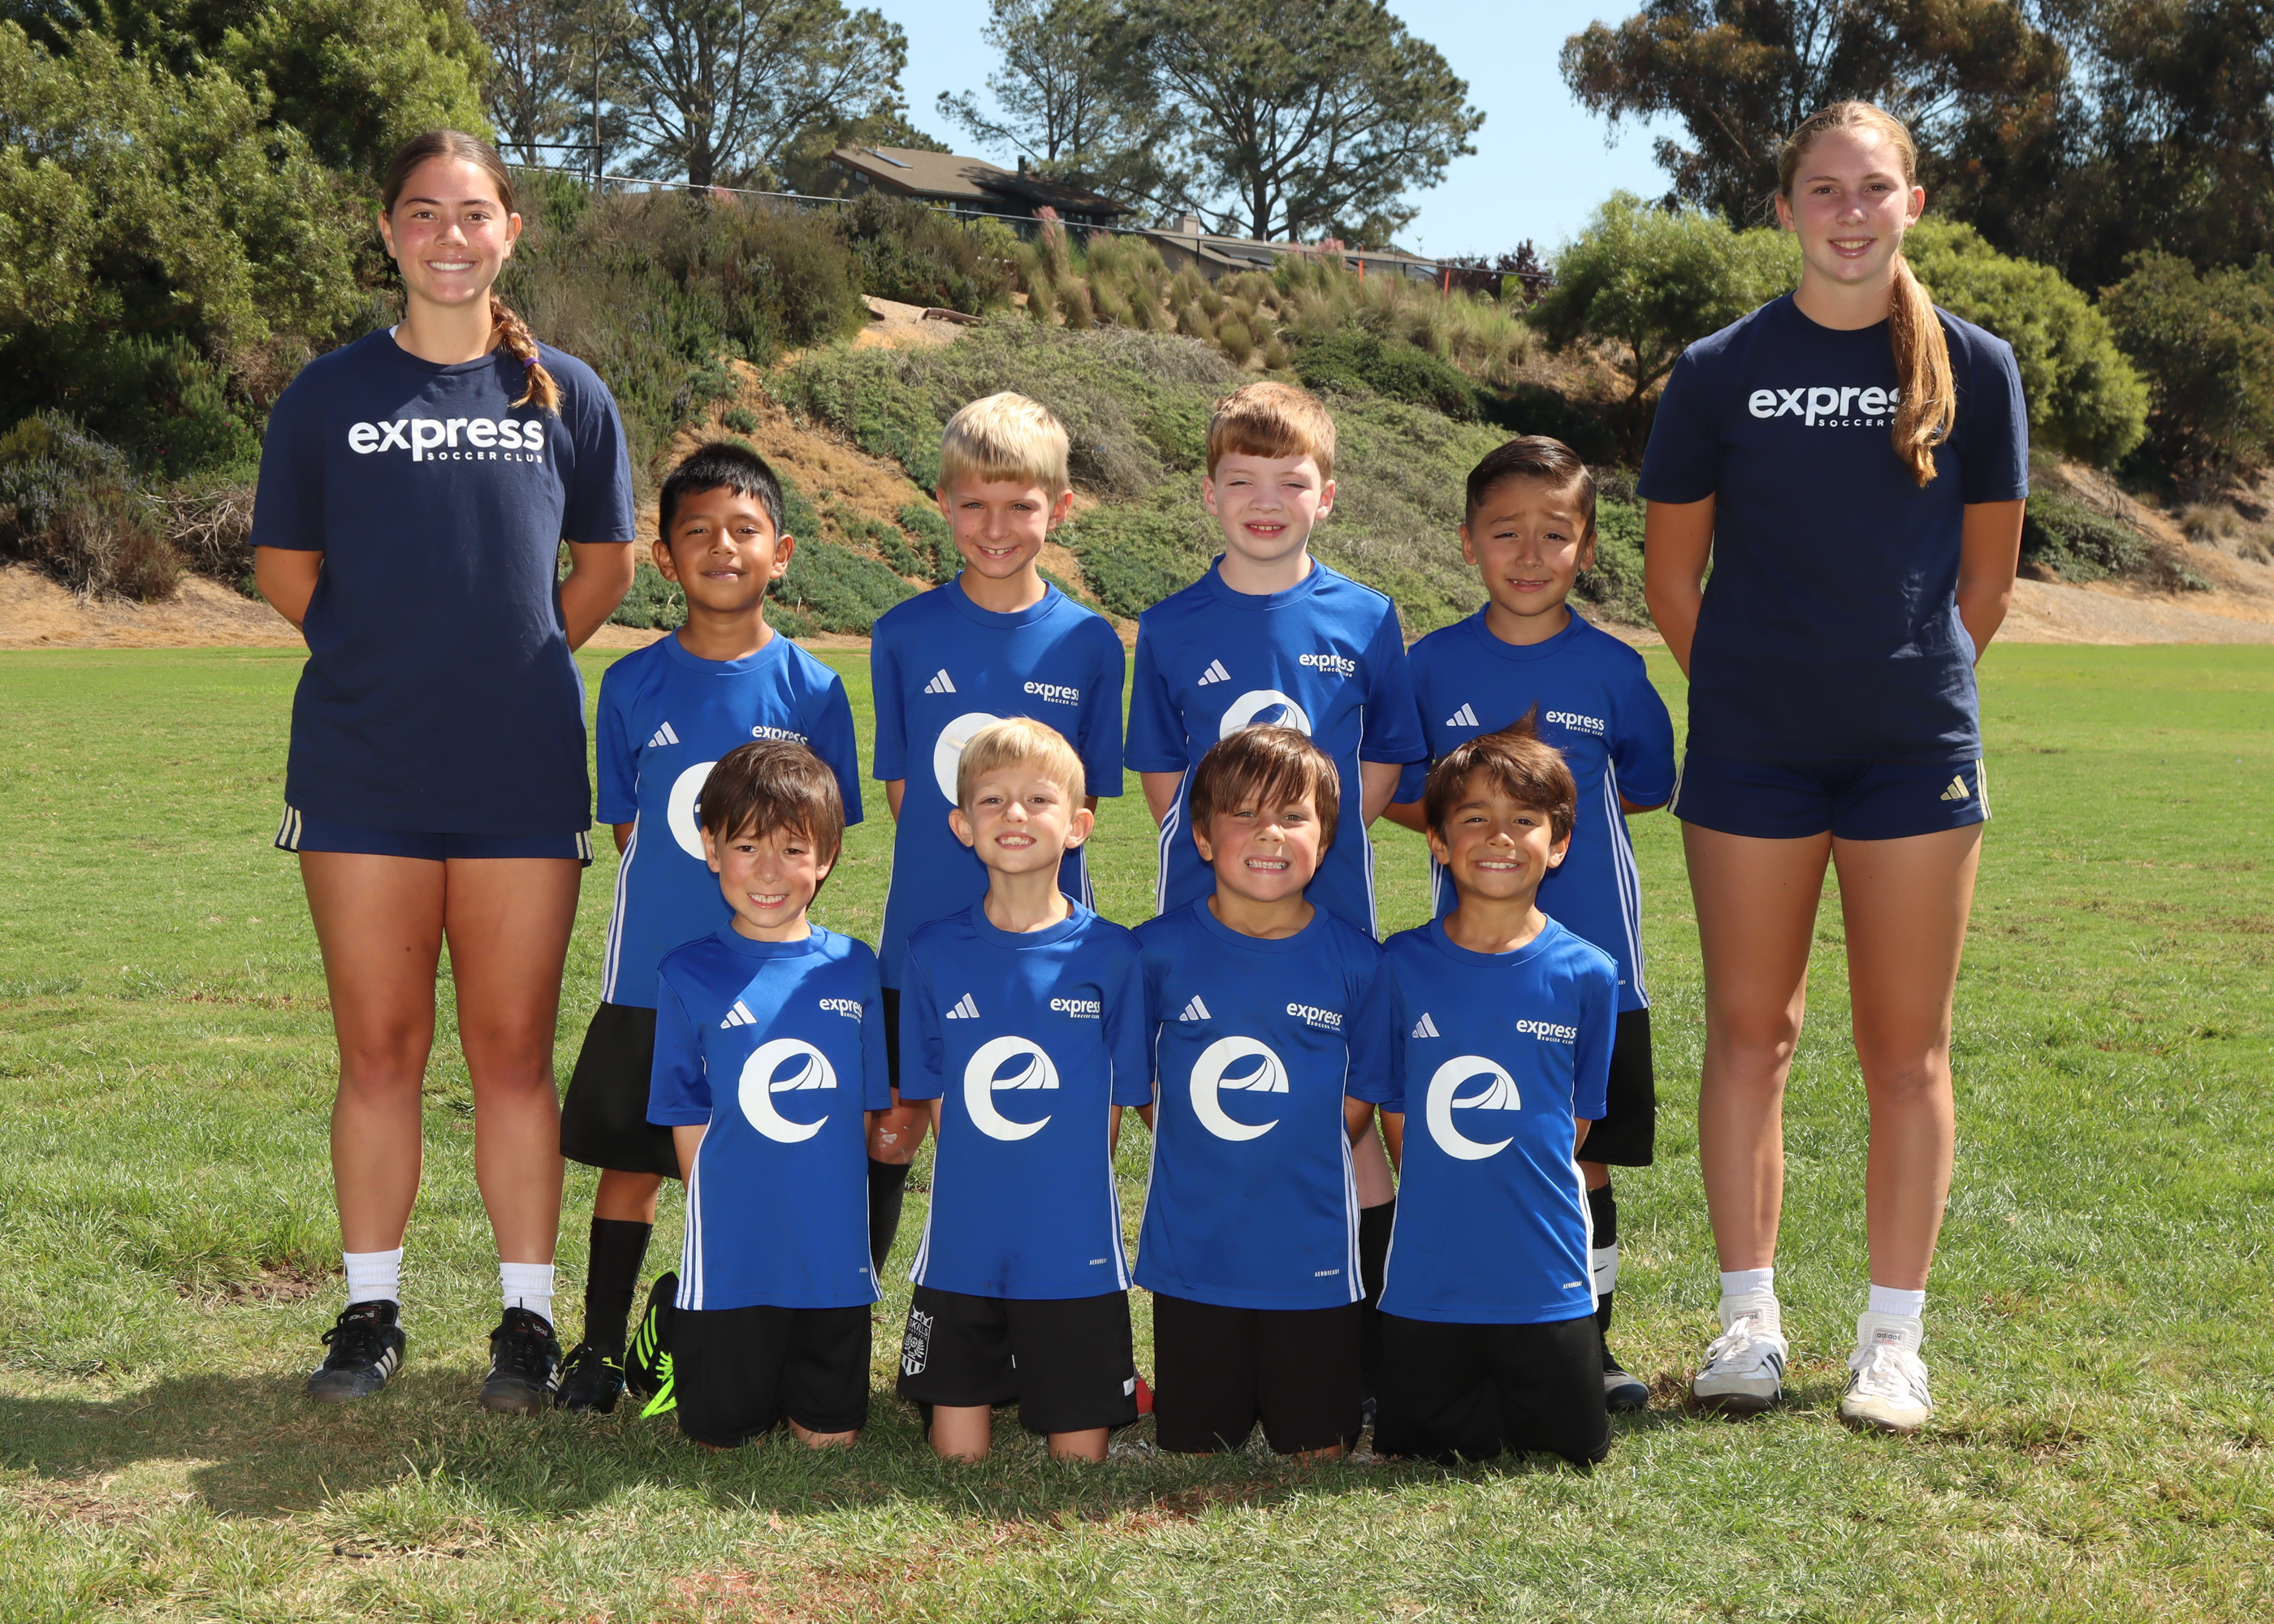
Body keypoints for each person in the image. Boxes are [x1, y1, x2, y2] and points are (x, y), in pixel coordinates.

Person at [1636, 101, 2028, 1433]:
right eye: (1823, 189)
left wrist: (1899, 688)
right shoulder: (1719, 370)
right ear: (1785, 208)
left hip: (1913, 759)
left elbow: (1985, 586)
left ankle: (1892, 1343)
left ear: (1914, 203)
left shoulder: (1978, 366)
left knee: (1904, 1052)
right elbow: (1672, 581)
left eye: (1873, 189)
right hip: (1753, 759)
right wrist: (1760, 699)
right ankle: (1747, 1322)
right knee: (1752, 1034)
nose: (1849, 213)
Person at [253, 129, 637, 1411]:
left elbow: (604, 570)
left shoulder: (566, 394)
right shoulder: (327, 394)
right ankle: (370, 1313)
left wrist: (516, 661)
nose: (449, 237)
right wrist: (382, 663)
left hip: (521, 771)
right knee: (380, 1049)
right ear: (388, 232)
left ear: (510, 232)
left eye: (474, 214)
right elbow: (285, 570)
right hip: (364, 770)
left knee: (513, 1053)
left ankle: (527, 1323)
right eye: (422, 214)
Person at [1121, 380, 1423, 1389]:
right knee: (1214, 1100)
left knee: (1342, 1116)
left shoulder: (1367, 616)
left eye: (1289, 481)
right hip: (1206, 916)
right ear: (1208, 493)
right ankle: (1211, 1329)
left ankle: (1358, 1342)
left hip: (1326, 906)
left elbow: (1384, 757)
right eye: (1241, 480)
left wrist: (1313, 843)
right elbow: (1166, 779)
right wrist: (1231, 855)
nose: (1265, 500)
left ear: (1325, 496)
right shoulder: (1169, 624)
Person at [554, 442, 862, 1414]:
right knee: (633, 1165)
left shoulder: (813, 689)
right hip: (651, 977)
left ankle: (735, 1332)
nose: (722, 547)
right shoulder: (631, 684)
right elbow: (631, 827)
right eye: (697, 531)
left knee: (754, 1161)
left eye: (744, 530)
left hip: (768, 986)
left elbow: (823, 835)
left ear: (782, 552)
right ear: (663, 554)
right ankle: (603, 1347)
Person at [1385, 437, 1675, 1412]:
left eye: (1555, 534)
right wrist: (1485, 839)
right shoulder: (1430, 666)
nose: (1528, 553)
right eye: (1505, 532)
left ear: (1586, 548)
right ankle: (1454, 1335)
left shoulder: (1614, 667)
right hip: (1467, 970)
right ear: (1467, 541)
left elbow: (1644, 785)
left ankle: (1587, 1345)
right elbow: (1405, 791)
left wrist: (1545, 838)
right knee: (1459, 1143)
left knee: (1580, 1157)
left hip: (1598, 971)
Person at [862, 395, 1126, 1279]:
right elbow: (907, 792)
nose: (996, 527)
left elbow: (1081, 802)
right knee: (892, 1131)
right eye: (973, 504)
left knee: (1033, 1122)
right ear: (942, 503)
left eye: (1020, 504)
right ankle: (845, 1322)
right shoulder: (903, 633)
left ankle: (1035, 1309)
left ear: (1060, 507)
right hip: (922, 938)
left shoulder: (1090, 643)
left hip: (1046, 948)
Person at [1350, 727, 1616, 1469]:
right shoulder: (1399, 965)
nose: (1500, 836)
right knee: (1419, 1450)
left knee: (1572, 1449)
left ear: (1558, 844)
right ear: (1438, 841)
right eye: (1475, 818)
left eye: (1524, 819)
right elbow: (1395, 1110)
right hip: (1426, 1282)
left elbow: (1575, 1121)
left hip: (1547, 1276)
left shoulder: (1590, 974)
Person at [893, 719, 1151, 1462]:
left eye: (1038, 800)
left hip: (1073, 1245)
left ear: (1077, 827)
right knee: (958, 1458)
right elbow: (936, 1093)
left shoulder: (1113, 954)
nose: (1014, 814)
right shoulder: (932, 952)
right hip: (963, 1241)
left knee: (1079, 1459)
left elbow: (1116, 1102)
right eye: (992, 799)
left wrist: (1057, 1183)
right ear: (961, 825)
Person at [625, 742, 888, 1449]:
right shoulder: (686, 973)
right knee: (722, 1437)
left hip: (828, 1246)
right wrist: (717, 1214)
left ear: (825, 858)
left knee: (829, 1440)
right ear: (712, 849)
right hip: (734, 1250)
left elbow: (865, 1113)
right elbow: (685, 1110)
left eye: (793, 849)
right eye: (746, 846)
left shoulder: (854, 967)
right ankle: (681, 1315)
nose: (769, 871)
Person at [1132, 725, 1382, 1458]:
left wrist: (1300, 1137)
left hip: (1312, 1252)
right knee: (1196, 1443)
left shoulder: (1359, 963)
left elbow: (1363, 1091)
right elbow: (1138, 1078)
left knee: (1319, 1449)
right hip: (1194, 1254)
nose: (1269, 832)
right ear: (1203, 837)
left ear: (1324, 840)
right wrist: (1192, 1131)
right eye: (1244, 813)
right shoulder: (1154, 951)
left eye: (1294, 816)